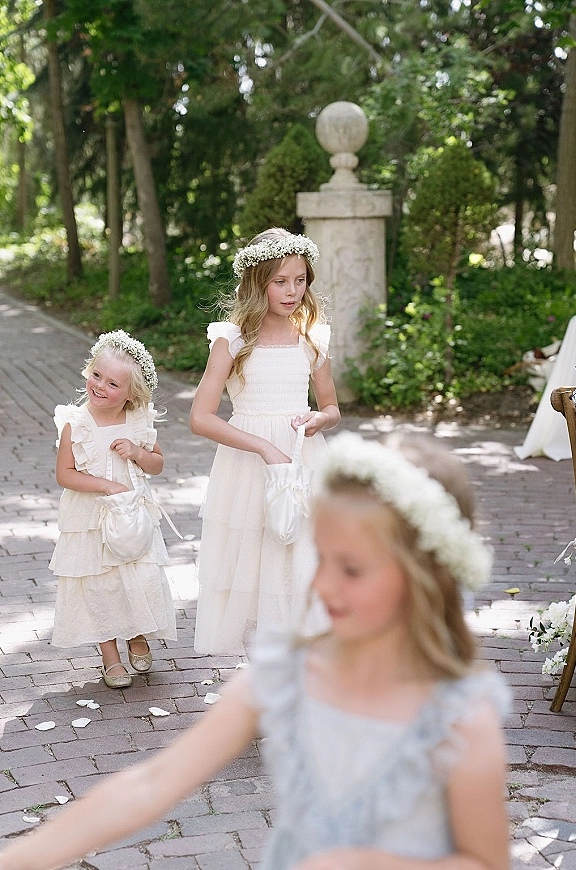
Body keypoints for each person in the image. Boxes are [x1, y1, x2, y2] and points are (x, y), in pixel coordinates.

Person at [0, 431, 510, 870]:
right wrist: (22, 857)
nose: (325, 585)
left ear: (426, 578)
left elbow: (485, 861)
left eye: (351, 569)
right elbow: (152, 783)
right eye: (322, 559)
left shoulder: (459, 718)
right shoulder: (286, 676)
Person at [189, 227, 341, 654]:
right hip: (247, 466)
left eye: (300, 280)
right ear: (258, 282)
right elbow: (200, 418)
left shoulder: (312, 336)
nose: (292, 290)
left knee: (302, 557)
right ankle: (262, 668)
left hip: (302, 458)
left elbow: (332, 408)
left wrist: (318, 418)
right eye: (280, 281)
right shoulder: (233, 340)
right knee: (255, 560)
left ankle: (300, 663)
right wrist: (262, 446)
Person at [49, 329, 177, 689]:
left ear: (132, 394)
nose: (100, 386)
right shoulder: (75, 423)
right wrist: (105, 484)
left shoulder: (138, 421)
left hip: (130, 516)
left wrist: (137, 453)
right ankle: (110, 656)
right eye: (96, 375)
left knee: (139, 575)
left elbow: (157, 464)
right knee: (99, 585)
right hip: (89, 519)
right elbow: (65, 474)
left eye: (113, 384)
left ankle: (137, 634)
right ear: (88, 371)